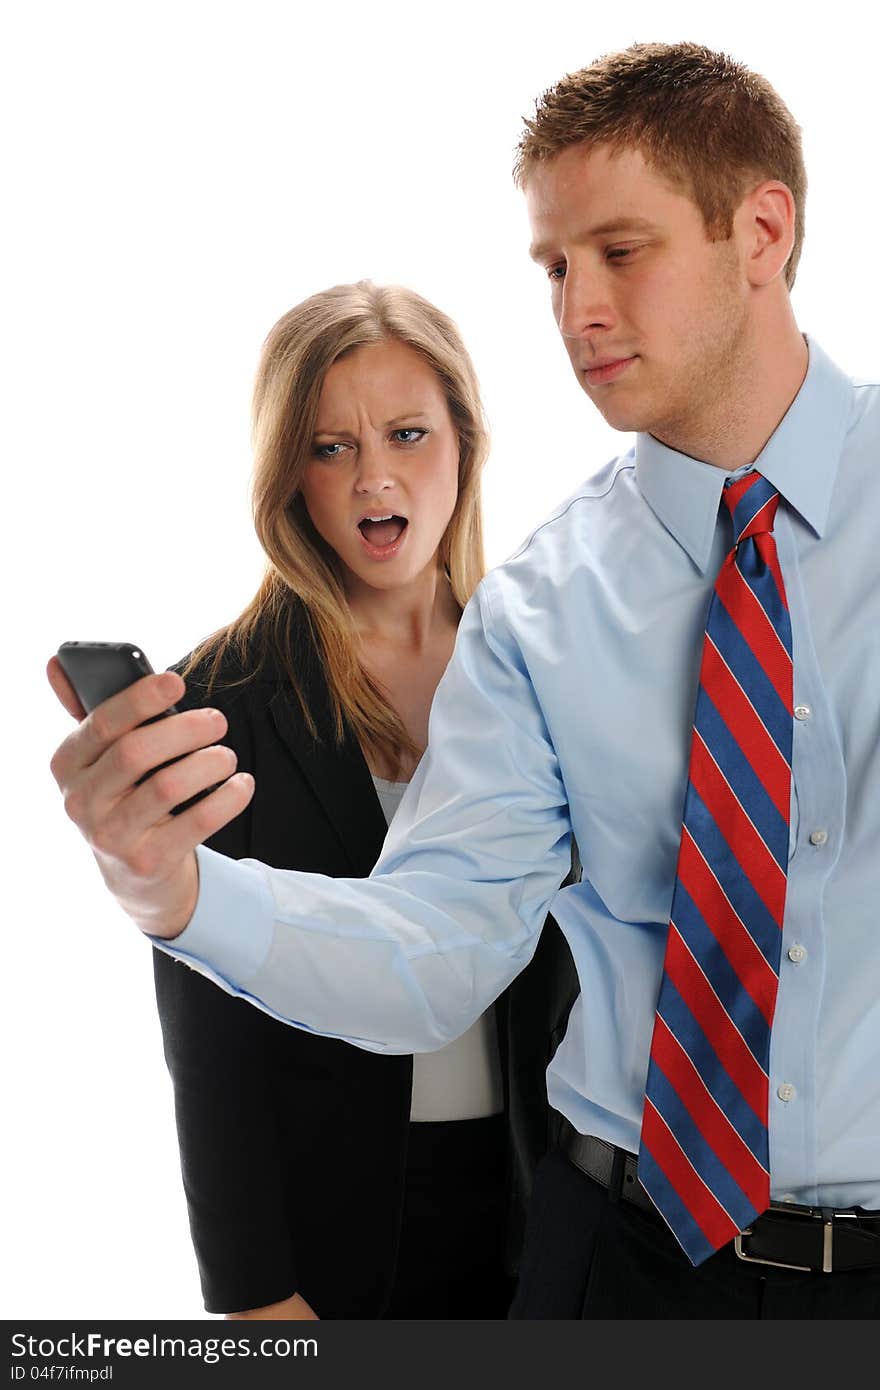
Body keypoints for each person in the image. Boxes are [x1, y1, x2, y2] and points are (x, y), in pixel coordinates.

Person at [49, 41, 880, 1319]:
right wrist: (180, 895)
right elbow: (437, 944)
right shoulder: (538, 612)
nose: (575, 310)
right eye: (553, 266)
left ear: (761, 231)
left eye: (620, 251)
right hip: (620, 1260)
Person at [53, 282, 578, 1320]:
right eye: (330, 446)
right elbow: (206, 1034)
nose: (373, 476)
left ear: (464, 447)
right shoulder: (220, 700)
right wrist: (253, 1293)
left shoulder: (540, 671)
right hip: (331, 1232)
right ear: (288, 471)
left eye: (407, 433)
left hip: (540, 1208)